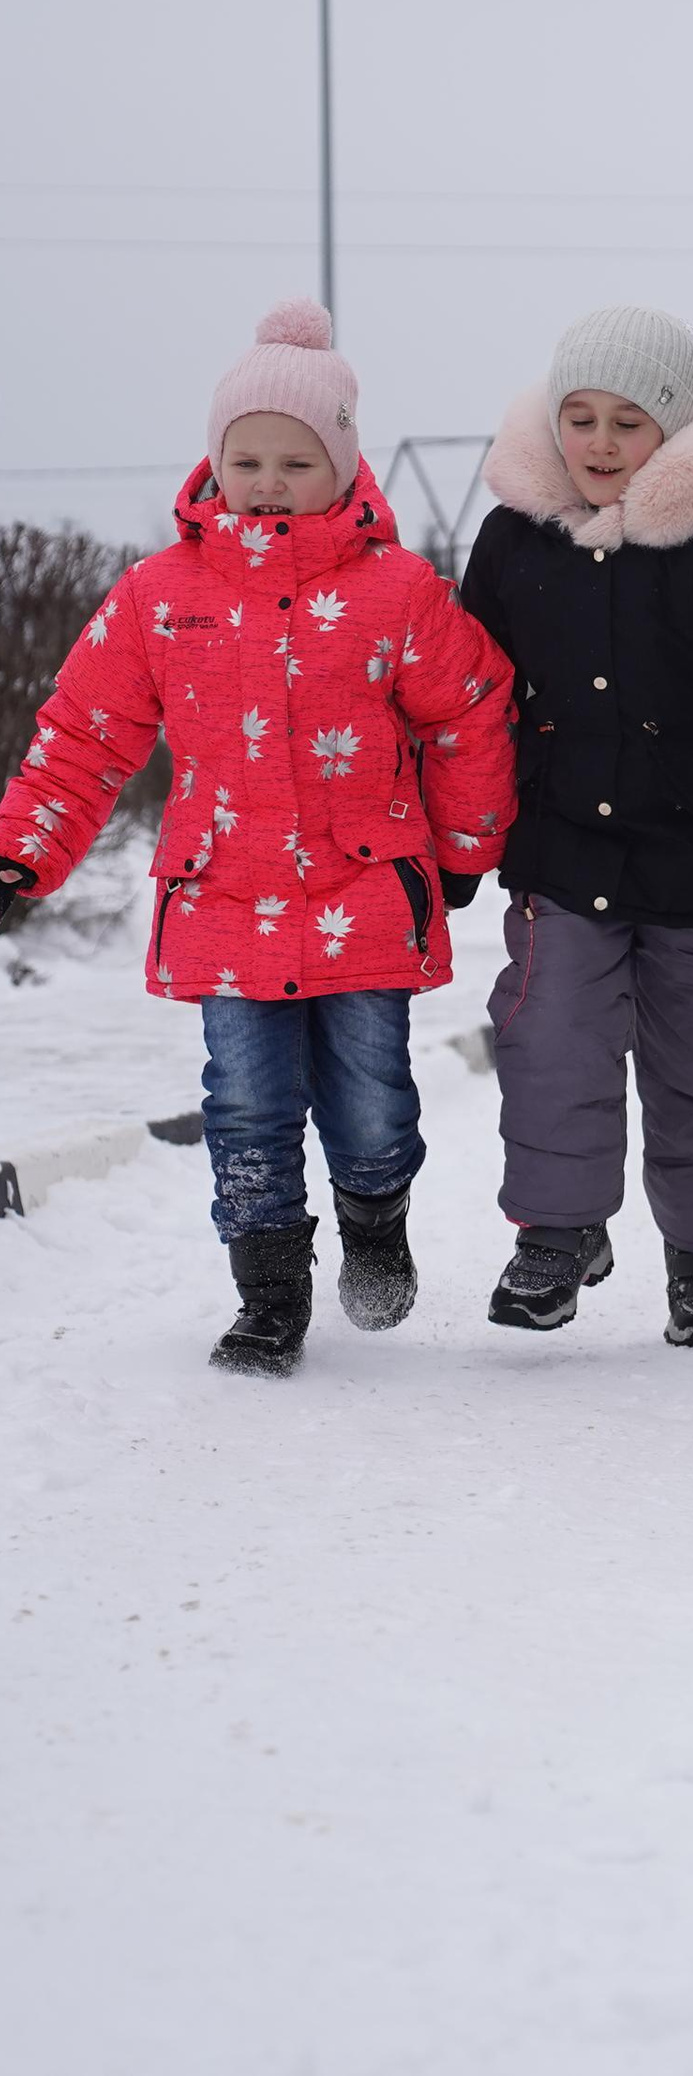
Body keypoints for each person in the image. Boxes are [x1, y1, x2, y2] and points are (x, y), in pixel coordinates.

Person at [0, 300, 515, 1374]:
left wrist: (466, 848)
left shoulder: (397, 593)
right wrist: (25, 846)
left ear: (344, 466)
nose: (269, 482)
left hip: (362, 897)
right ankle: (269, 1293)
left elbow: (469, 709)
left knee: (371, 1103)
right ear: (214, 464)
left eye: (296, 460)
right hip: (223, 899)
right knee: (244, 1108)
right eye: (247, 461)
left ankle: (375, 1218)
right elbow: (86, 731)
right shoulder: (160, 596)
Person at [459, 306, 693, 1351]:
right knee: (548, 1037)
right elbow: (470, 692)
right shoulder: (516, 535)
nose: (602, 443)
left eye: (628, 422)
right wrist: (457, 831)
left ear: (671, 428)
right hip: (562, 844)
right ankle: (556, 1233)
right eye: (580, 418)